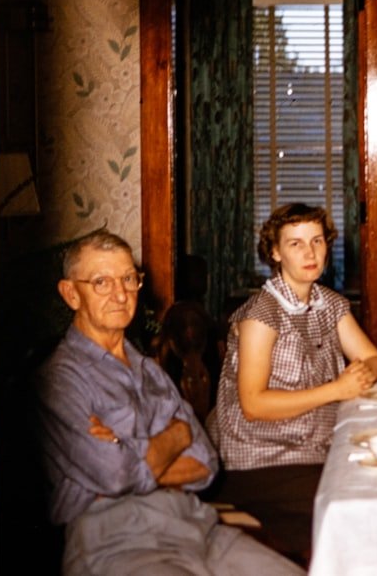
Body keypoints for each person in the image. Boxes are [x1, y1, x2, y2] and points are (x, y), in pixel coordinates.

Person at [37, 229, 303, 576]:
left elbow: (205, 463)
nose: (120, 294)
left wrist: (126, 449)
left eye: (129, 279)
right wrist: (176, 436)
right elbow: (116, 475)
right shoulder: (59, 379)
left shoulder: (150, 369)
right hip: (117, 542)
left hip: (197, 527)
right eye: (101, 282)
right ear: (71, 293)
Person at [212, 202, 377, 565]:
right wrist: (339, 389)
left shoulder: (330, 304)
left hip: (318, 447)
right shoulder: (262, 314)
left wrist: (362, 374)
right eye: (296, 244)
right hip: (264, 461)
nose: (310, 253)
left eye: (318, 241)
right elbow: (253, 404)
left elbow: (373, 359)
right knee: (363, 514)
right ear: (275, 252)